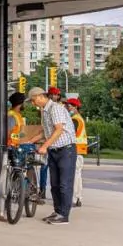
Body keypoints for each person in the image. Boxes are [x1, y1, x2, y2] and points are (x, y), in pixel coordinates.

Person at [30, 86, 77, 225]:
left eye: (33, 100)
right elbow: (45, 132)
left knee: (64, 184)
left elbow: (58, 130)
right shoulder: (44, 111)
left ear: (40, 96)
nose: (33, 103)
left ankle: (64, 215)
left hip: (66, 150)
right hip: (54, 151)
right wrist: (29, 141)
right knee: (55, 184)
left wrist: (44, 146)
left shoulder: (55, 108)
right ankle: (57, 211)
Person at [67, 98, 88, 208]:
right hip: (80, 151)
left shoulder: (75, 119)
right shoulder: (79, 118)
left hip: (76, 150)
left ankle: (75, 198)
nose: (68, 108)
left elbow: (70, 134)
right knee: (77, 175)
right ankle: (78, 197)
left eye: (70, 107)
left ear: (75, 107)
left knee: (74, 176)